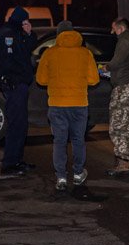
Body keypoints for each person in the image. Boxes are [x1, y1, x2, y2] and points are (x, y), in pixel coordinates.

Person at [35, 20, 99, 190]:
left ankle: (61, 177)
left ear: (58, 35)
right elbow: (94, 80)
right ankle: (78, 174)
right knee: (78, 139)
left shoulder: (49, 53)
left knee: (59, 141)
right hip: (79, 104)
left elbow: (40, 79)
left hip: (57, 104)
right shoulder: (85, 53)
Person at [0, 6, 37, 175]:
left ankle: (16, 160)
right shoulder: (9, 34)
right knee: (16, 124)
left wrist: (29, 35)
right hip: (15, 84)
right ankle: (10, 163)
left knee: (20, 124)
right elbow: (20, 56)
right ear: (21, 20)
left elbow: (26, 50)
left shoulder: (12, 32)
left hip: (17, 84)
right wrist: (27, 35)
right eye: (25, 21)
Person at [104, 17, 129, 175]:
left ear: (120, 28)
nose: (113, 33)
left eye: (114, 30)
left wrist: (105, 68)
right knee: (128, 126)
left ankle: (123, 163)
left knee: (120, 126)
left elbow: (116, 62)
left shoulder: (125, 41)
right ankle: (127, 162)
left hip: (124, 89)